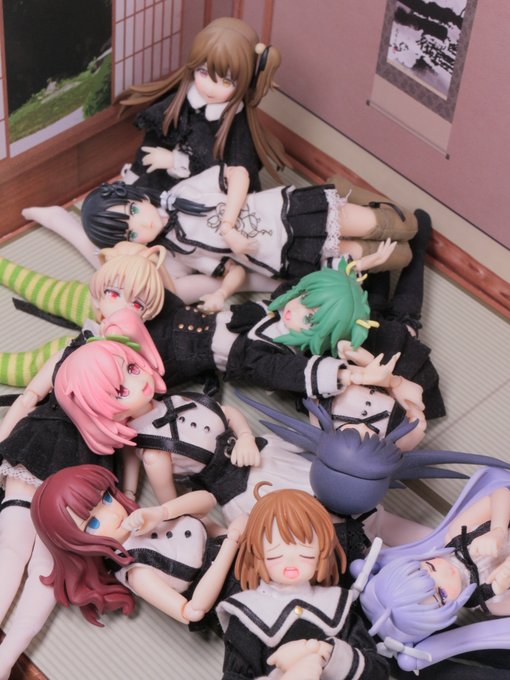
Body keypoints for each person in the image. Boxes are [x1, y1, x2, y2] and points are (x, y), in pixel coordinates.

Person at [0, 311, 164, 679]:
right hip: (40, 446)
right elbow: (28, 398)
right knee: (14, 549)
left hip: (82, 472)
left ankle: (6, 657)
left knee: (48, 567)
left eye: (133, 370)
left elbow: (129, 449)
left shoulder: (128, 397)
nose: (136, 383)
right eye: (121, 388)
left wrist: (127, 494)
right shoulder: (74, 353)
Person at [31, 464, 246, 627]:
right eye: (93, 524)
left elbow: (208, 500)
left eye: (106, 499)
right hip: (234, 594)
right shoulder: (137, 572)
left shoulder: (146, 519)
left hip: (245, 550)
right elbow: (192, 612)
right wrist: (230, 544)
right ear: (77, 544)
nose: (113, 514)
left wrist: (161, 512)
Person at [215, 485, 389, 679]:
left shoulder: (336, 605)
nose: (291, 559)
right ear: (258, 553)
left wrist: (322, 652)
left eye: (304, 549)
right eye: (276, 552)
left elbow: (377, 671)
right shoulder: (248, 613)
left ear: (322, 548)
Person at [351, 467, 510, 672]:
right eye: (441, 594)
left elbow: (501, 493)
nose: (444, 575)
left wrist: (498, 529)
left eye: (431, 567)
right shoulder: (492, 600)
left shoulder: (458, 535)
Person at [117, 16, 289, 193]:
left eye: (226, 82)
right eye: (203, 72)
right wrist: (134, 177)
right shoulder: (181, 101)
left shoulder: (236, 125)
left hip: (206, 194)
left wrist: (176, 161)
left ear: (245, 82)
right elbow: (151, 145)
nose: (210, 87)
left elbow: (233, 173)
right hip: (162, 179)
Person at [0, 241, 168, 386]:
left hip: (105, 352)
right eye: (113, 294)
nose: (122, 307)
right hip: (99, 309)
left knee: (49, 358)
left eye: (137, 305)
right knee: (58, 292)